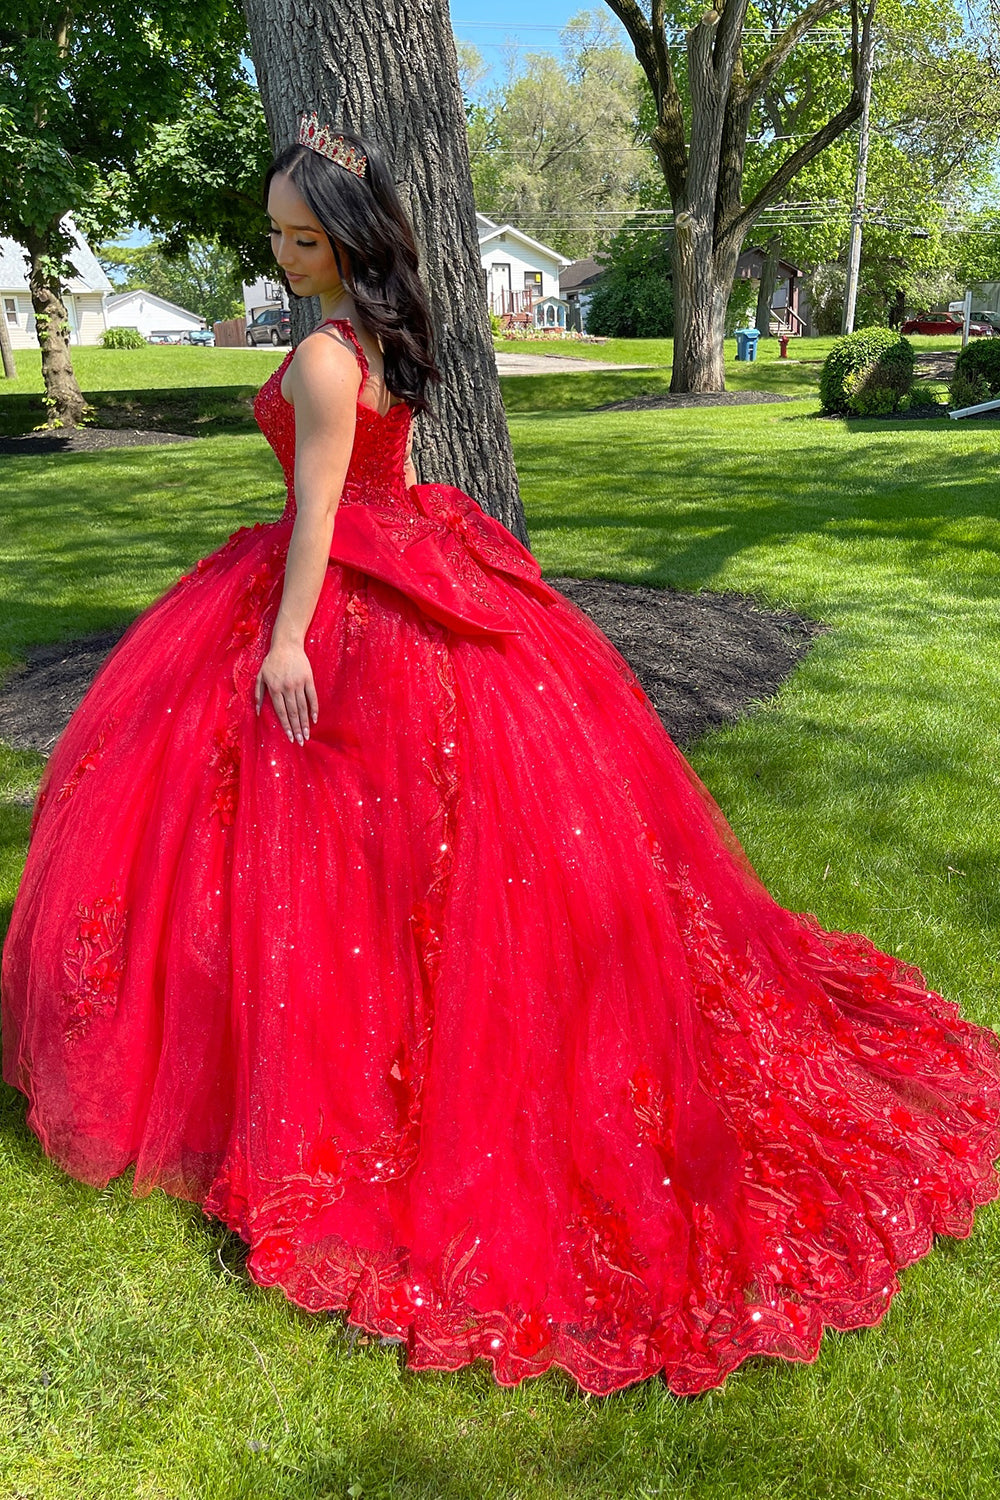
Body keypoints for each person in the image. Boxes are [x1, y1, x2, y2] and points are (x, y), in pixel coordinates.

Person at [3, 115, 999, 1400]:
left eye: (303, 237)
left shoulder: (320, 353)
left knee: (319, 831)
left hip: (336, 591)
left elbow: (316, 509)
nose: (284, 254)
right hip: (413, 553)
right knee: (405, 838)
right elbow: (388, 474)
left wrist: (290, 641)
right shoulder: (379, 341)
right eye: (277, 235)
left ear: (349, 243)